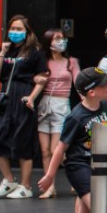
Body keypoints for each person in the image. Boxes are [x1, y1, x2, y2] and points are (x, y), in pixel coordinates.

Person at [34, 67, 107, 213]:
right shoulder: (76, 117)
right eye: (104, 84)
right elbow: (61, 147)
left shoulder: (105, 106)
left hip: (99, 165)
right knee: (100, 209)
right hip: (78, 166)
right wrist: (50, 175)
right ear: (91, 92)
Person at [0, 15, 50, 199]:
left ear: (27, 31)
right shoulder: (6, 50)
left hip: (23, 96)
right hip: (6, 98)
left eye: (19, 29)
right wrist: (3, 51)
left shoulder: (35, 51)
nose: (15, 32)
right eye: (12, 29)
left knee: (22, 140)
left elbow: (42, 77)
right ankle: (9, 180)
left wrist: (32, 97)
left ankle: (25, 186)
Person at [35, 28, 79, 198]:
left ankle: (77, 177)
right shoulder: (43, 61)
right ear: (49, 43)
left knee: (56, 150)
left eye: (63, 38)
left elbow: (78, 82)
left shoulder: (71, 62)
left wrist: (86, 100)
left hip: (62, 105)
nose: (62, 41)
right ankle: (49, 186)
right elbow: (34, 76)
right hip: (45, 105)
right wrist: (35, 79)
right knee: (45, 150)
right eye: (57, 38)